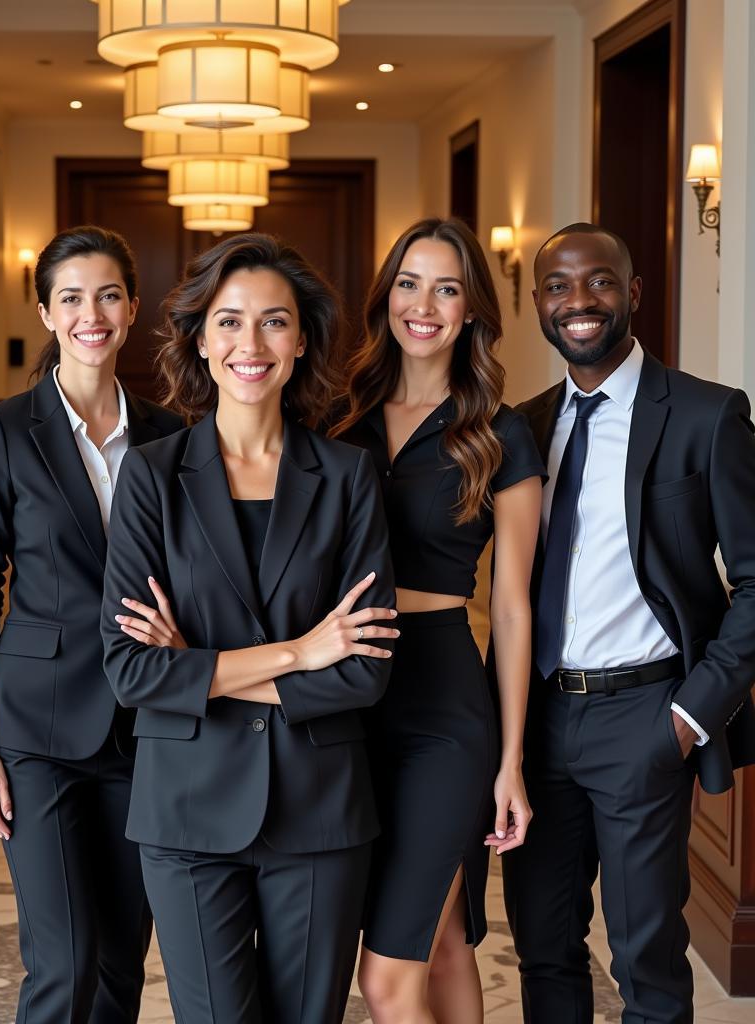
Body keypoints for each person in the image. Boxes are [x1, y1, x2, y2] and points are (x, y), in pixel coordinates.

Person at [100, 232, 398, 1023]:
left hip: (320, 808)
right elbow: (131, 672)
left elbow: (365, 670)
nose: (250, 343)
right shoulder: (151, 475)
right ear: (201, 340)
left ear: (301, 342)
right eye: (229, 322)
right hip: (187, 810)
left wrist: (199, 669)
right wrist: (302, 652)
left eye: (274, 322)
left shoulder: (347, 476)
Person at [503, 222, 755, 1023]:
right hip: (539, 717)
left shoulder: (707, 417)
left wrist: (688, 716)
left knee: (644, 955)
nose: (579, 302)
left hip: (645, 716)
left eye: (599, 281)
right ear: (541, 304)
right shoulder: (525, 425)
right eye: (558, 287)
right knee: (544, 949)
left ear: (633, 293)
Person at [0, 226, 181, 1023]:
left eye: (110, 295)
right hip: (38, 731)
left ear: (132, 309)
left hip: (148, 729)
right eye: (73, 298)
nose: (93, 313)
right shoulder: (4, 431)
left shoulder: (168, 433)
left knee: (123, 958)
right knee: (65, 959)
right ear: (47, 312)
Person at [332, 218, 544, 1024]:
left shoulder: (499, 434)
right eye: (410, 283)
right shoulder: (336, 414)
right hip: (342, 693)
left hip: (442, 705)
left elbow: (516, 607)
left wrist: (511, 759)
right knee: (443, 938)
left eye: (447, 288)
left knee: (386, 981)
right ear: (386, 295)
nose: (425, 305)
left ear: (472, 310)